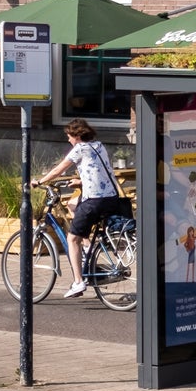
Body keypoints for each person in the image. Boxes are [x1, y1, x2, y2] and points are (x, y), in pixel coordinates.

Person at [35, 117, 131, 299]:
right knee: (72, 204)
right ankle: (87, 248)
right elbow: (102, 170)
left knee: (72, 239)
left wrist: (39, 181)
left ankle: (78, 282)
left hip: (94, 201)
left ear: (77, 136)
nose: (68, 140)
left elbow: (58, 170)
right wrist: (80, 181)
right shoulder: (99, 145)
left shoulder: (79, 149)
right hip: (111, 198)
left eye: (69, 136)